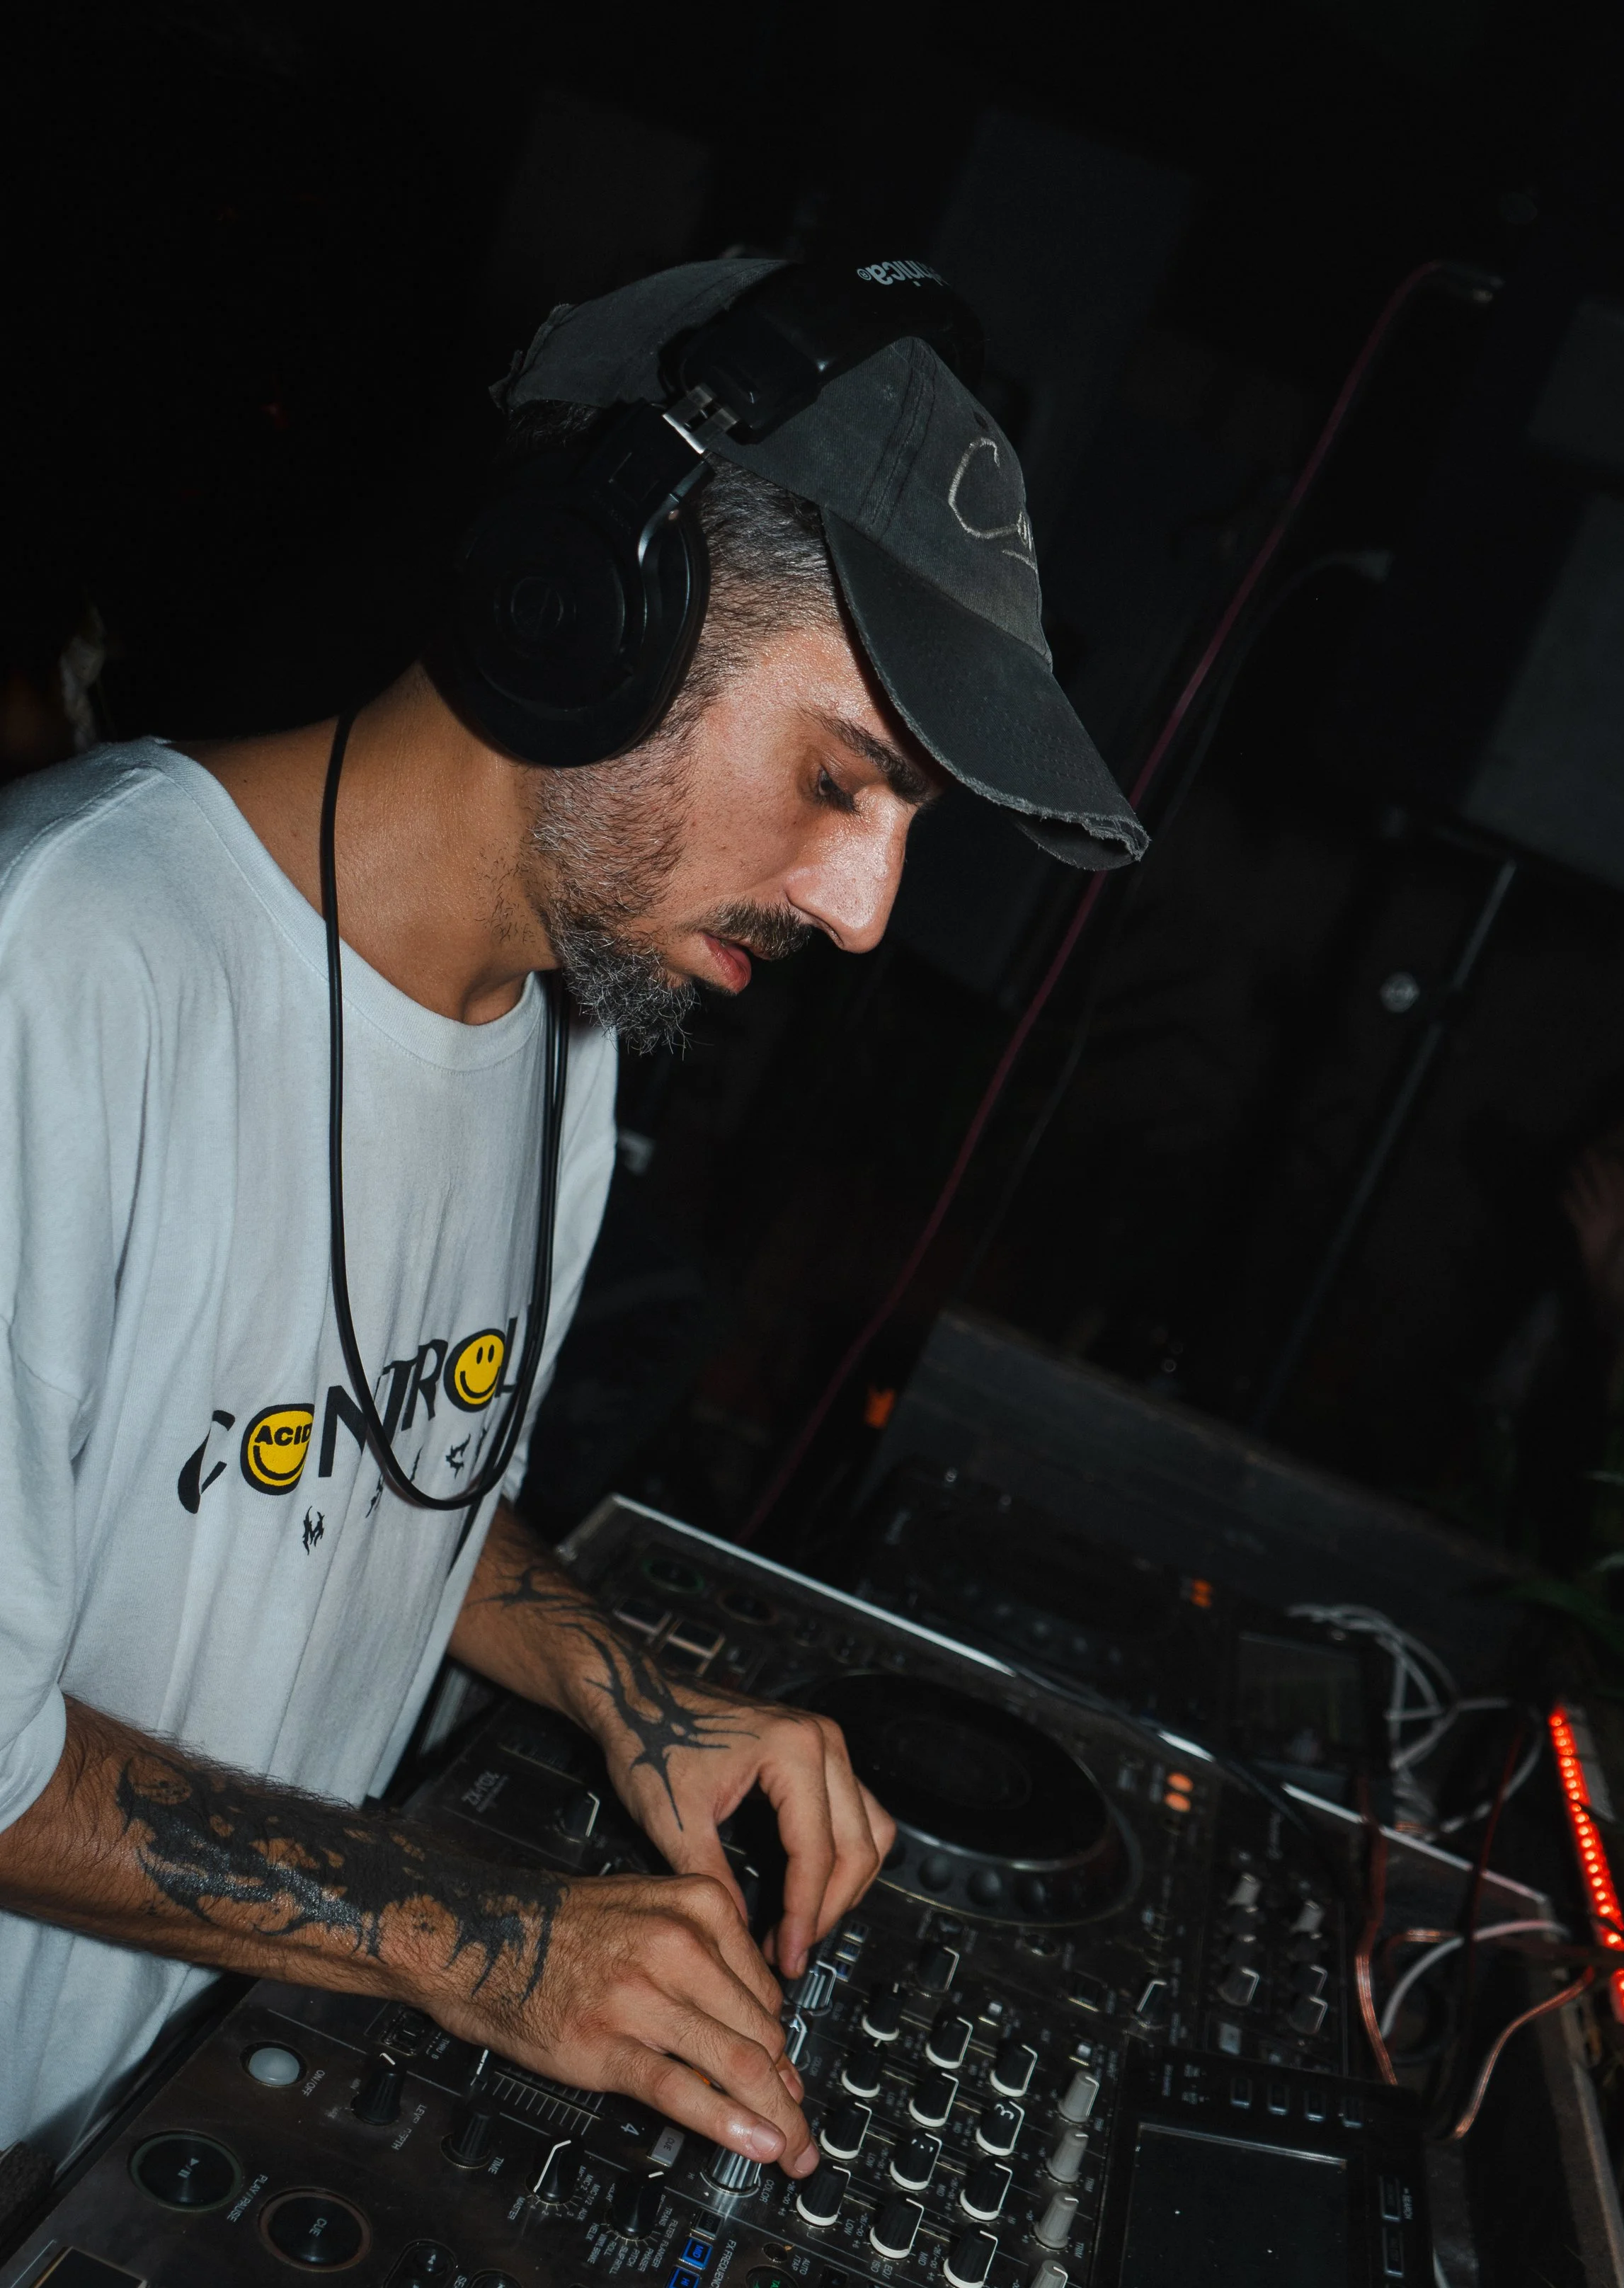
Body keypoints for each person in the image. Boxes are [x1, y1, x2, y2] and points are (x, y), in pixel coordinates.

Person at [0, 259, 1147, 2170]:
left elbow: (384, 1489)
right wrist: (483, 1936)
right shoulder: (67, 967)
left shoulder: (562, 1030)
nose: (864, 909)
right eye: (840, 780)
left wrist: (630, 1691)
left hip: (149, 2134)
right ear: (593, 614)